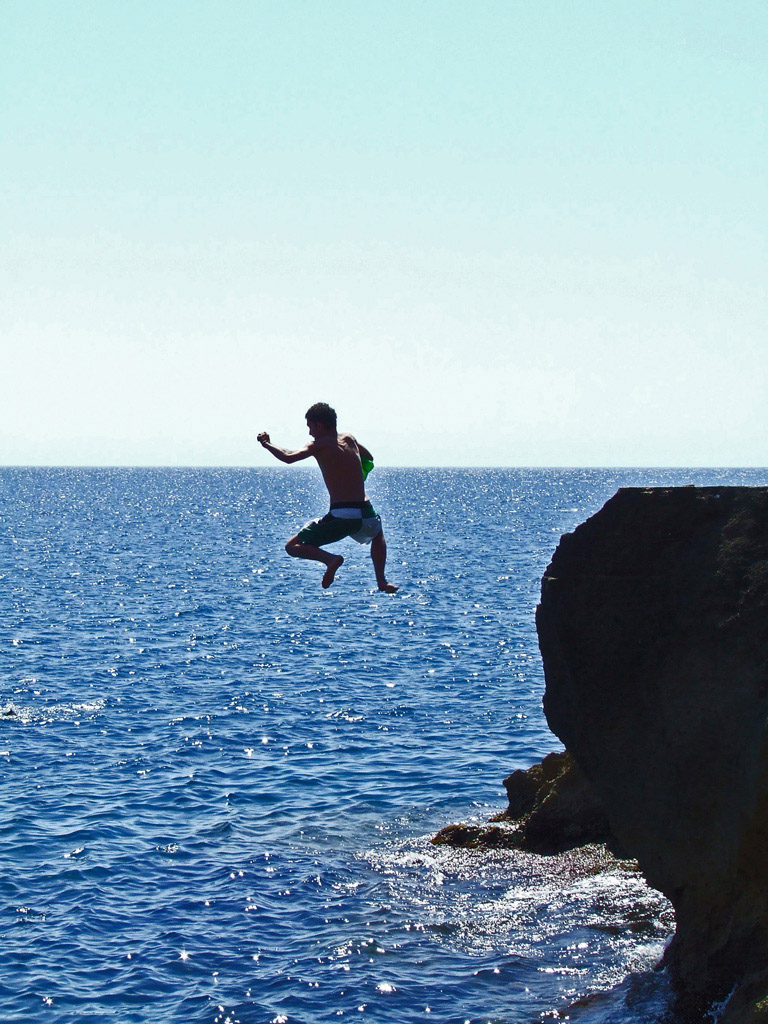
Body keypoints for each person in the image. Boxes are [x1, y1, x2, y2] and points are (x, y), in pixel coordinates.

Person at [258, 403, 398, 593]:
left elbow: (289, 457)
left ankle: (330, 560)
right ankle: (382, 581)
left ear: (320, 426)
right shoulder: (350, 438)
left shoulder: (317, 445)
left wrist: (267, 444)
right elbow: (368, 457)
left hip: (343, 514)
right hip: (366, 511)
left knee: (292, 546)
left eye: (310, 427)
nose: (310, 433)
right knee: (377, 533)